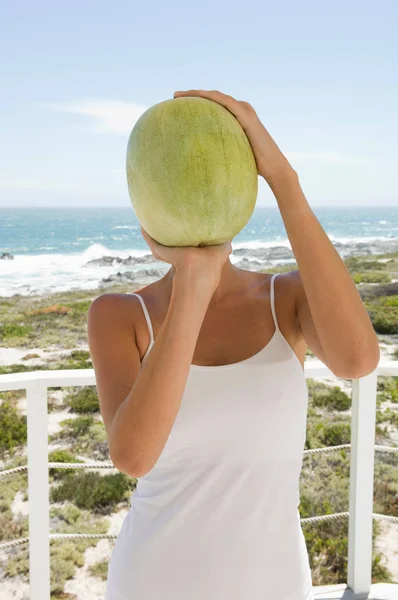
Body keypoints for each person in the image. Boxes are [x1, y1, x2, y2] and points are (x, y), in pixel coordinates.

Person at [87, 90, 380, 600]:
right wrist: (193, 283)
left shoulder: (284, 298)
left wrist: (283, 180)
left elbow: (357, 360)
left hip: (276, 584)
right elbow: (134, 455)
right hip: (153, 584)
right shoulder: (117, 315)